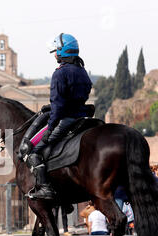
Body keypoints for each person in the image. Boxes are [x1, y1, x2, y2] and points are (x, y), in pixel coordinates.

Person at [18, 33, 93, 199]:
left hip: (66, 120)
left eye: (56, 51)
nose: (54, 55)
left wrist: (49, 129)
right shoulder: (83, 71)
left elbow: (58, 107)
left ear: (62, 51)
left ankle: (46, 188)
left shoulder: (60, 73)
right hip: (83, 117)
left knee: (31, 151)